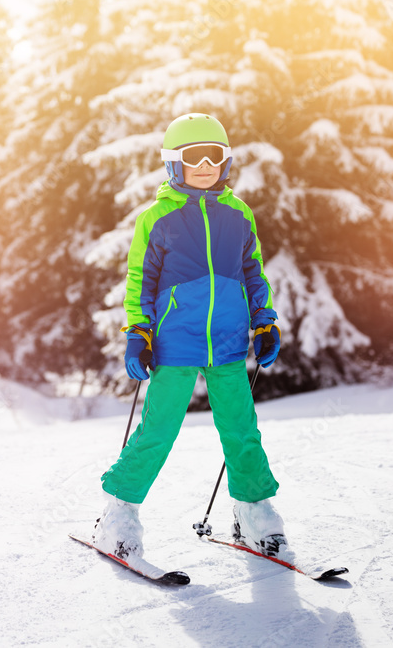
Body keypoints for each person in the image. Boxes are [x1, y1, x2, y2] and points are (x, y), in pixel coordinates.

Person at [92, 113, 288, 561]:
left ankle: (253, 510)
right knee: (159, 429)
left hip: (229, 341)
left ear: (226, 161)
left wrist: (264, 320)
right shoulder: (157, 219)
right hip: (174, 342)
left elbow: (252, 271)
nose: (205, 165)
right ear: (174, 164)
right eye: (193, 156)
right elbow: (140, 280)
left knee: (241, 429)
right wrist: (138, 333)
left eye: (214, 156)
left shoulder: (238, 215)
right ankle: (118, 512)